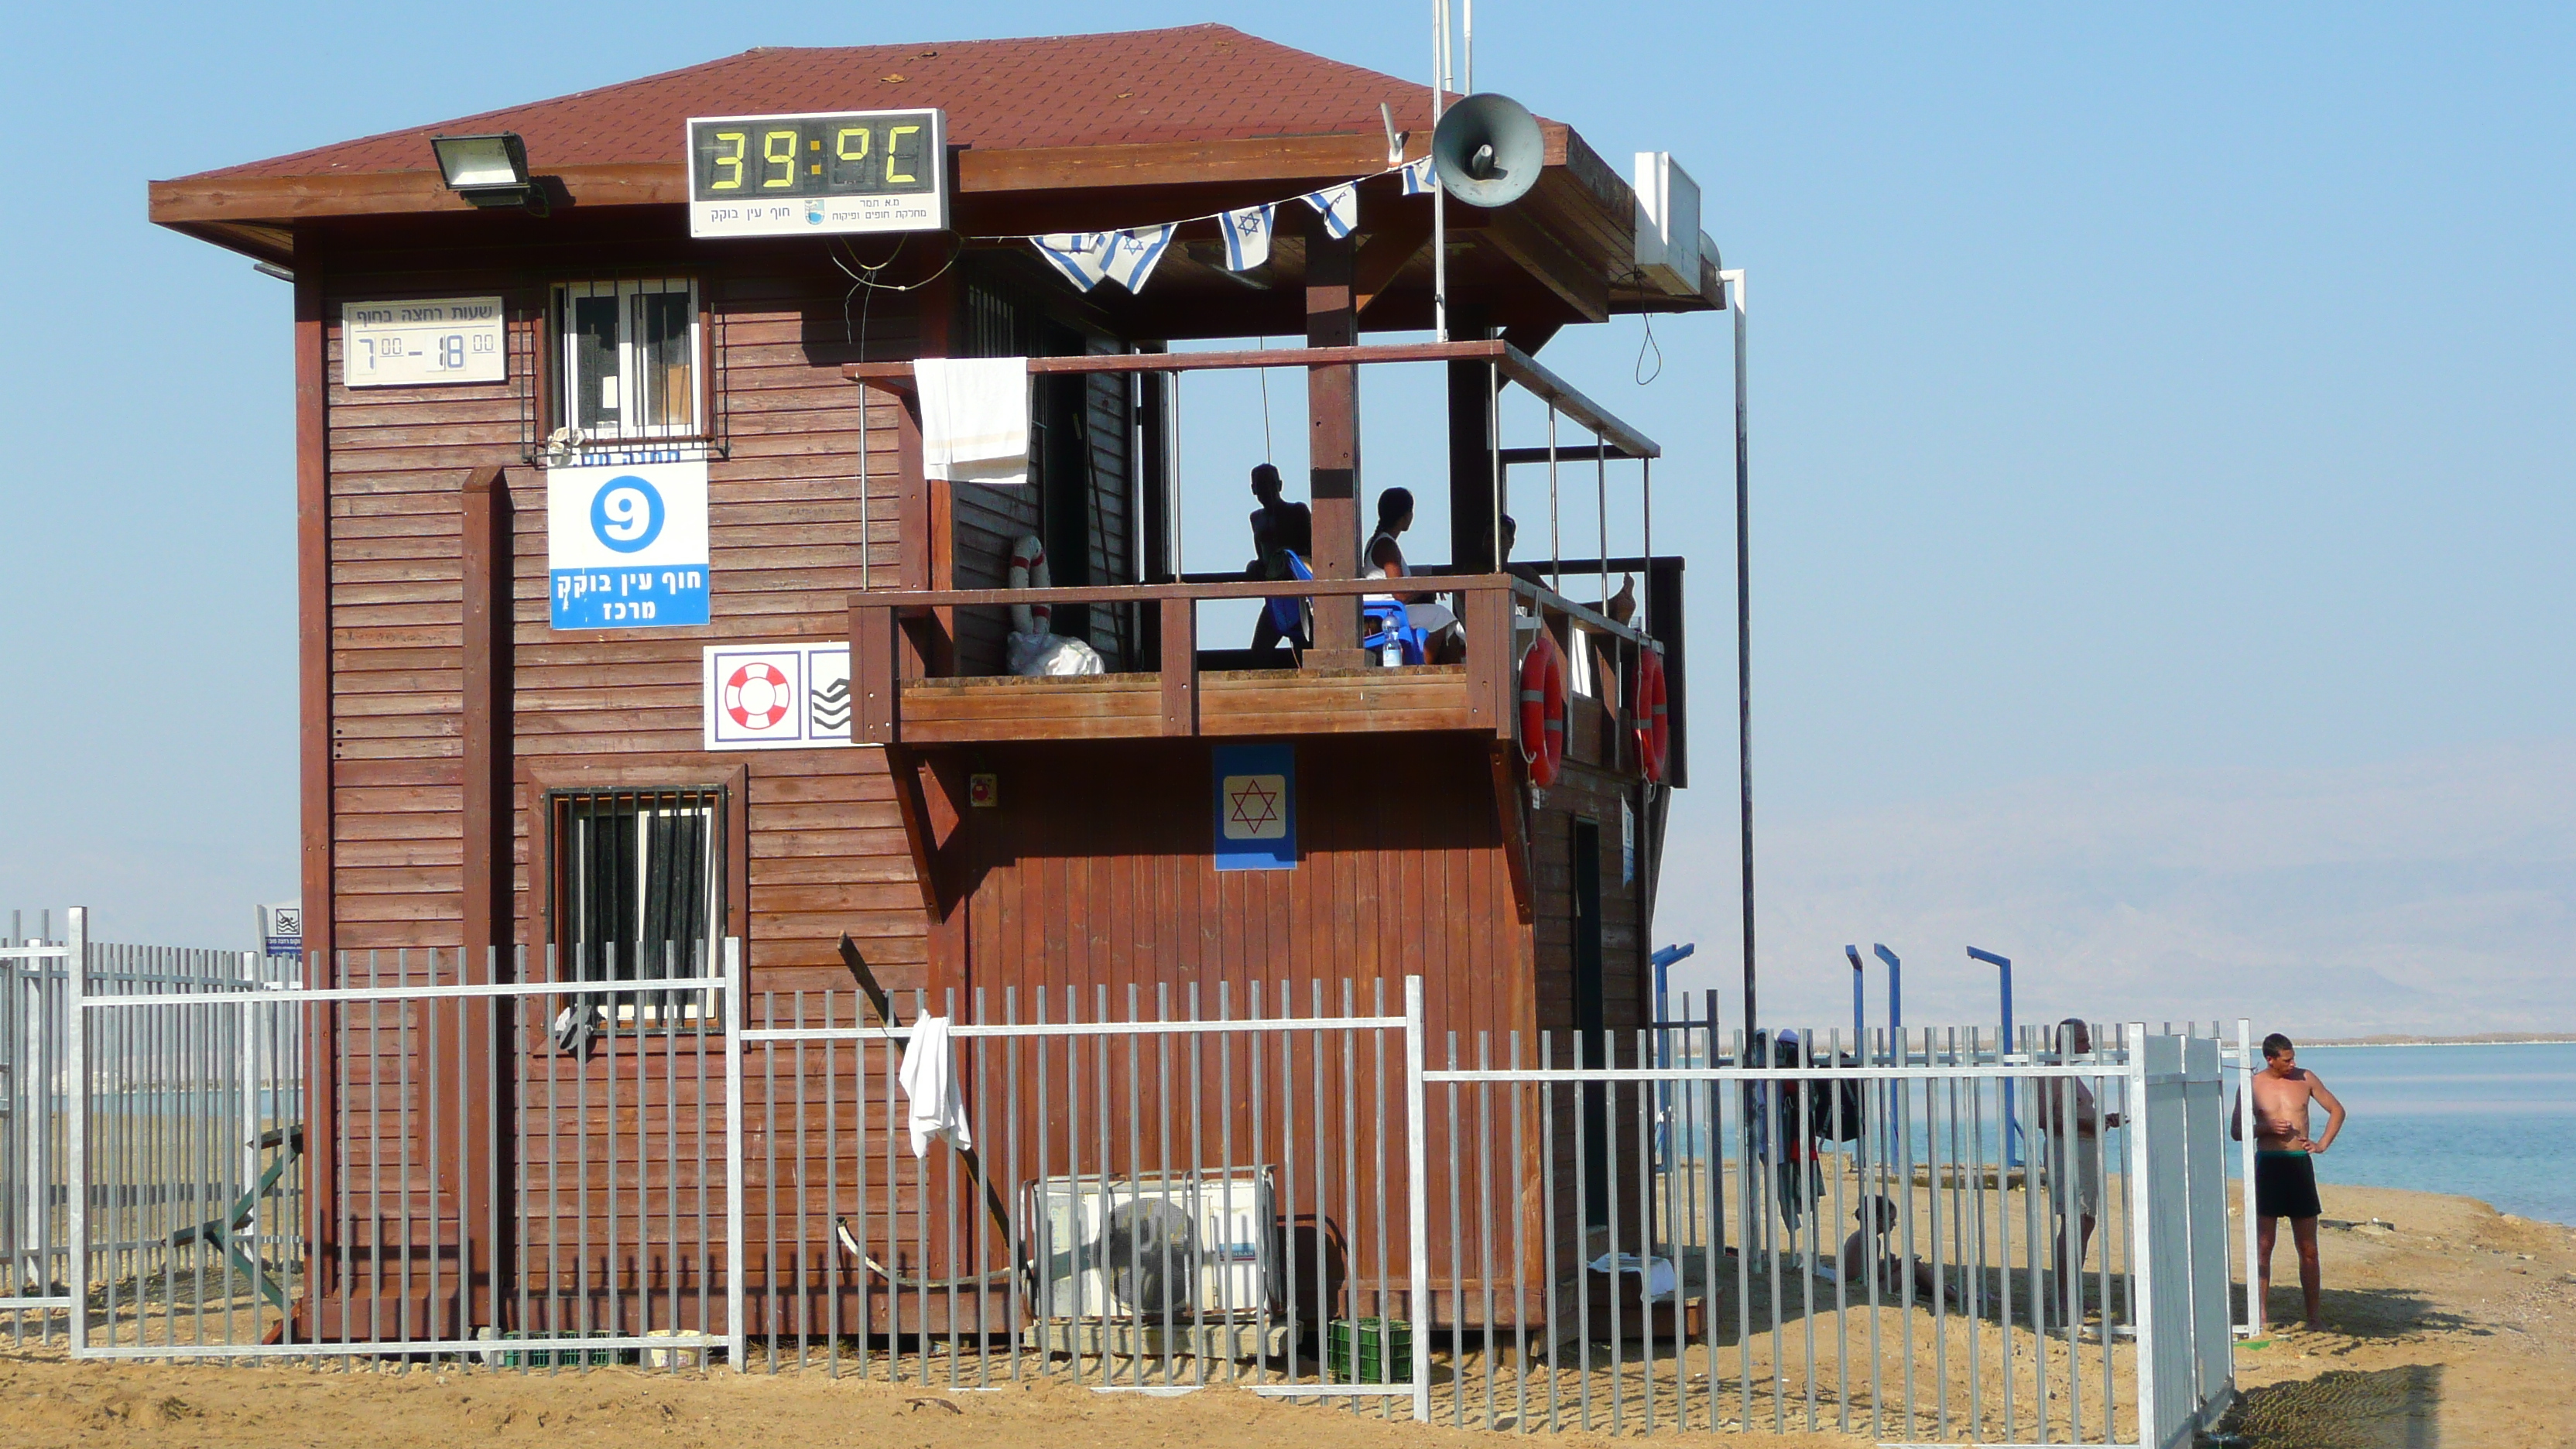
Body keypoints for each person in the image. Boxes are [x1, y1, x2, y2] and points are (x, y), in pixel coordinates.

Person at [2231, 1032, 2345, 1329]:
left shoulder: (2305, 1078)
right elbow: (2236, 1130)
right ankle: (2262, 1316)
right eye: (2286, 1059)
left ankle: (2314, 1317)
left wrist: (2321, 1144)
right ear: (2270, 1059)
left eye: (2293, 1057)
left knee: (2308, 1247)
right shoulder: (2252, 1085)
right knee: (2264, 1245)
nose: (2292, 1063)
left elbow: (2337, 1110)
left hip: (2298, 1165)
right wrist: (2264, 1127)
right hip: (2269, 1165)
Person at [2034, 1019, 2122, 1329]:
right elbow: (2046, 1119)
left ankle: (2072, 1290)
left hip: (2083, 1150)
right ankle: (2062, 1296)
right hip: (2066, 1151)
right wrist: (2091, 1123)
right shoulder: (2053, 1073)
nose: (2088, 1047)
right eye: (2084, 1041)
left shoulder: (2071, 1074)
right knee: (2072, 1222)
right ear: (2069, 1041)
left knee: (2085, 1222)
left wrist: (2101, 1120)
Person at [1363, 488, 1466, 663]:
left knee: (1439, 615)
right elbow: (1400, 593)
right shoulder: (1387, 546)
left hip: (1388, 611)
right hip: (1389, 613)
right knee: (1442, 615)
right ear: (1406, 515)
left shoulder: (1378, 541)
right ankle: (1426, 667)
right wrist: (1430, 586)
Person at [1244, 464, 1313, 656]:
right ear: (1254, 489)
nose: (1267, 490)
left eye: (1271, 484)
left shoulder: (1298, 511)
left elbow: (1314, 550)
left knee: (1304, 650)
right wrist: (1254, 566)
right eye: (1261, 486)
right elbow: (1262, 557)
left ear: (1280, 485)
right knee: (1257, 653)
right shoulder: (1256, 518)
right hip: (1274, 598)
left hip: (1298, 596)